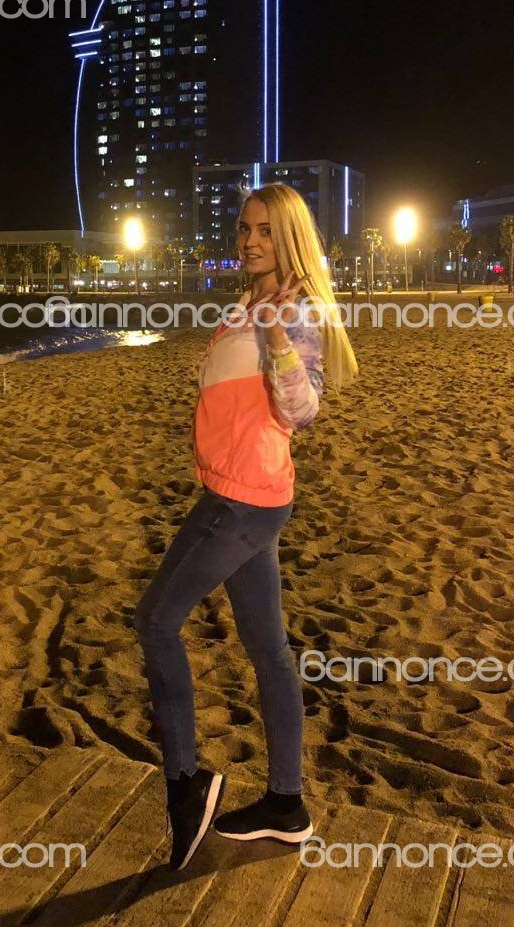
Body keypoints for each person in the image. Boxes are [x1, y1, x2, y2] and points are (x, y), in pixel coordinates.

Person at [133, 183, 359, 870]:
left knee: (155, 622)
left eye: (264, 230)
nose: (249, 240)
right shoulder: (254, 299)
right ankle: (286, 805)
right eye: (243, 228)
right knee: (269, 650)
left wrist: (275, 337)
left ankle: (185, 786)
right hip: (249, 489)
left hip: (242, 499)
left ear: (289, 236)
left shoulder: (295, 308)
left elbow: (303, 409)